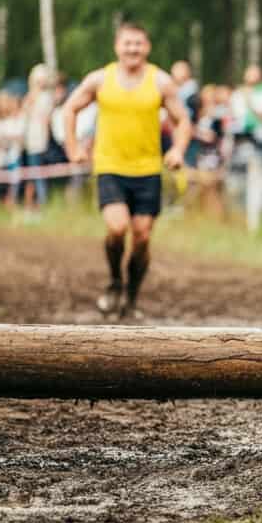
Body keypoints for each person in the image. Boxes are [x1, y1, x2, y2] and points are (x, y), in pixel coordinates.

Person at [62, 22, 192, 320]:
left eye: (138, 43)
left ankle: (131, 298)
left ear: (147, 47)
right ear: (116, 47)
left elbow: (183, 120)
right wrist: (73, 148)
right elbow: (70, 108)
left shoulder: (160, 81)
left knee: (142, 237)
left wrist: (177, 150)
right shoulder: (100, 79)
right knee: (117, 228)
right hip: (110, 166)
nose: (133, 49)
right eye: (127, 43)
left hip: (148, 170)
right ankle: (114, 282)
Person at [22, 64, 57, 209]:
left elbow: (45, 120)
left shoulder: (46, 97)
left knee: (38, 173)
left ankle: (42, 202)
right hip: (31, 140)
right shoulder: (32, 96)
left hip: (40, 141)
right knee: (33, 173)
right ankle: (33, 202)